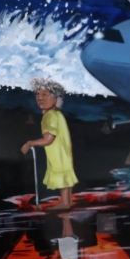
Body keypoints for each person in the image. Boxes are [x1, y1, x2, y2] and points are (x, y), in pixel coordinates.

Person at [21, 78, 78, 209]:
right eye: (38, 95)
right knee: (65, 178)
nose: (40, 98)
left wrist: (30, 143)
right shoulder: (57, 114)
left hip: (58, 155)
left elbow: (48, 139)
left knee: (62, 176)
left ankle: (64, 204)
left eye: (45, 95)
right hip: (64, 154)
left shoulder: (50, 116)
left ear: (55, 99)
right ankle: (66, 204)